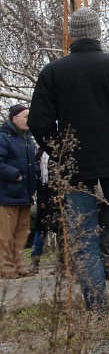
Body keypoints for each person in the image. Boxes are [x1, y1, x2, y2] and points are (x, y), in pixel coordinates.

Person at [29, 7, 109, 309]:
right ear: (97, 33)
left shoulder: (53, 72)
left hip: (75, 167)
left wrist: (62, 152)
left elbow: (39, 122)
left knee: (84, 240)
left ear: (72, 34)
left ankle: (97, 310)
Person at [0, 104, 37, 279]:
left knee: (22, 233)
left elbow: (31, 163)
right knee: (5, 234)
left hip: (25, 194)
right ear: (15, 119)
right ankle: (5, 268)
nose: (29, 119)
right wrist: (15, 175)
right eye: (26, 116)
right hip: (7, 194)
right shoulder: (3, 137)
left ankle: (19, 265)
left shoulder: (28, 138)